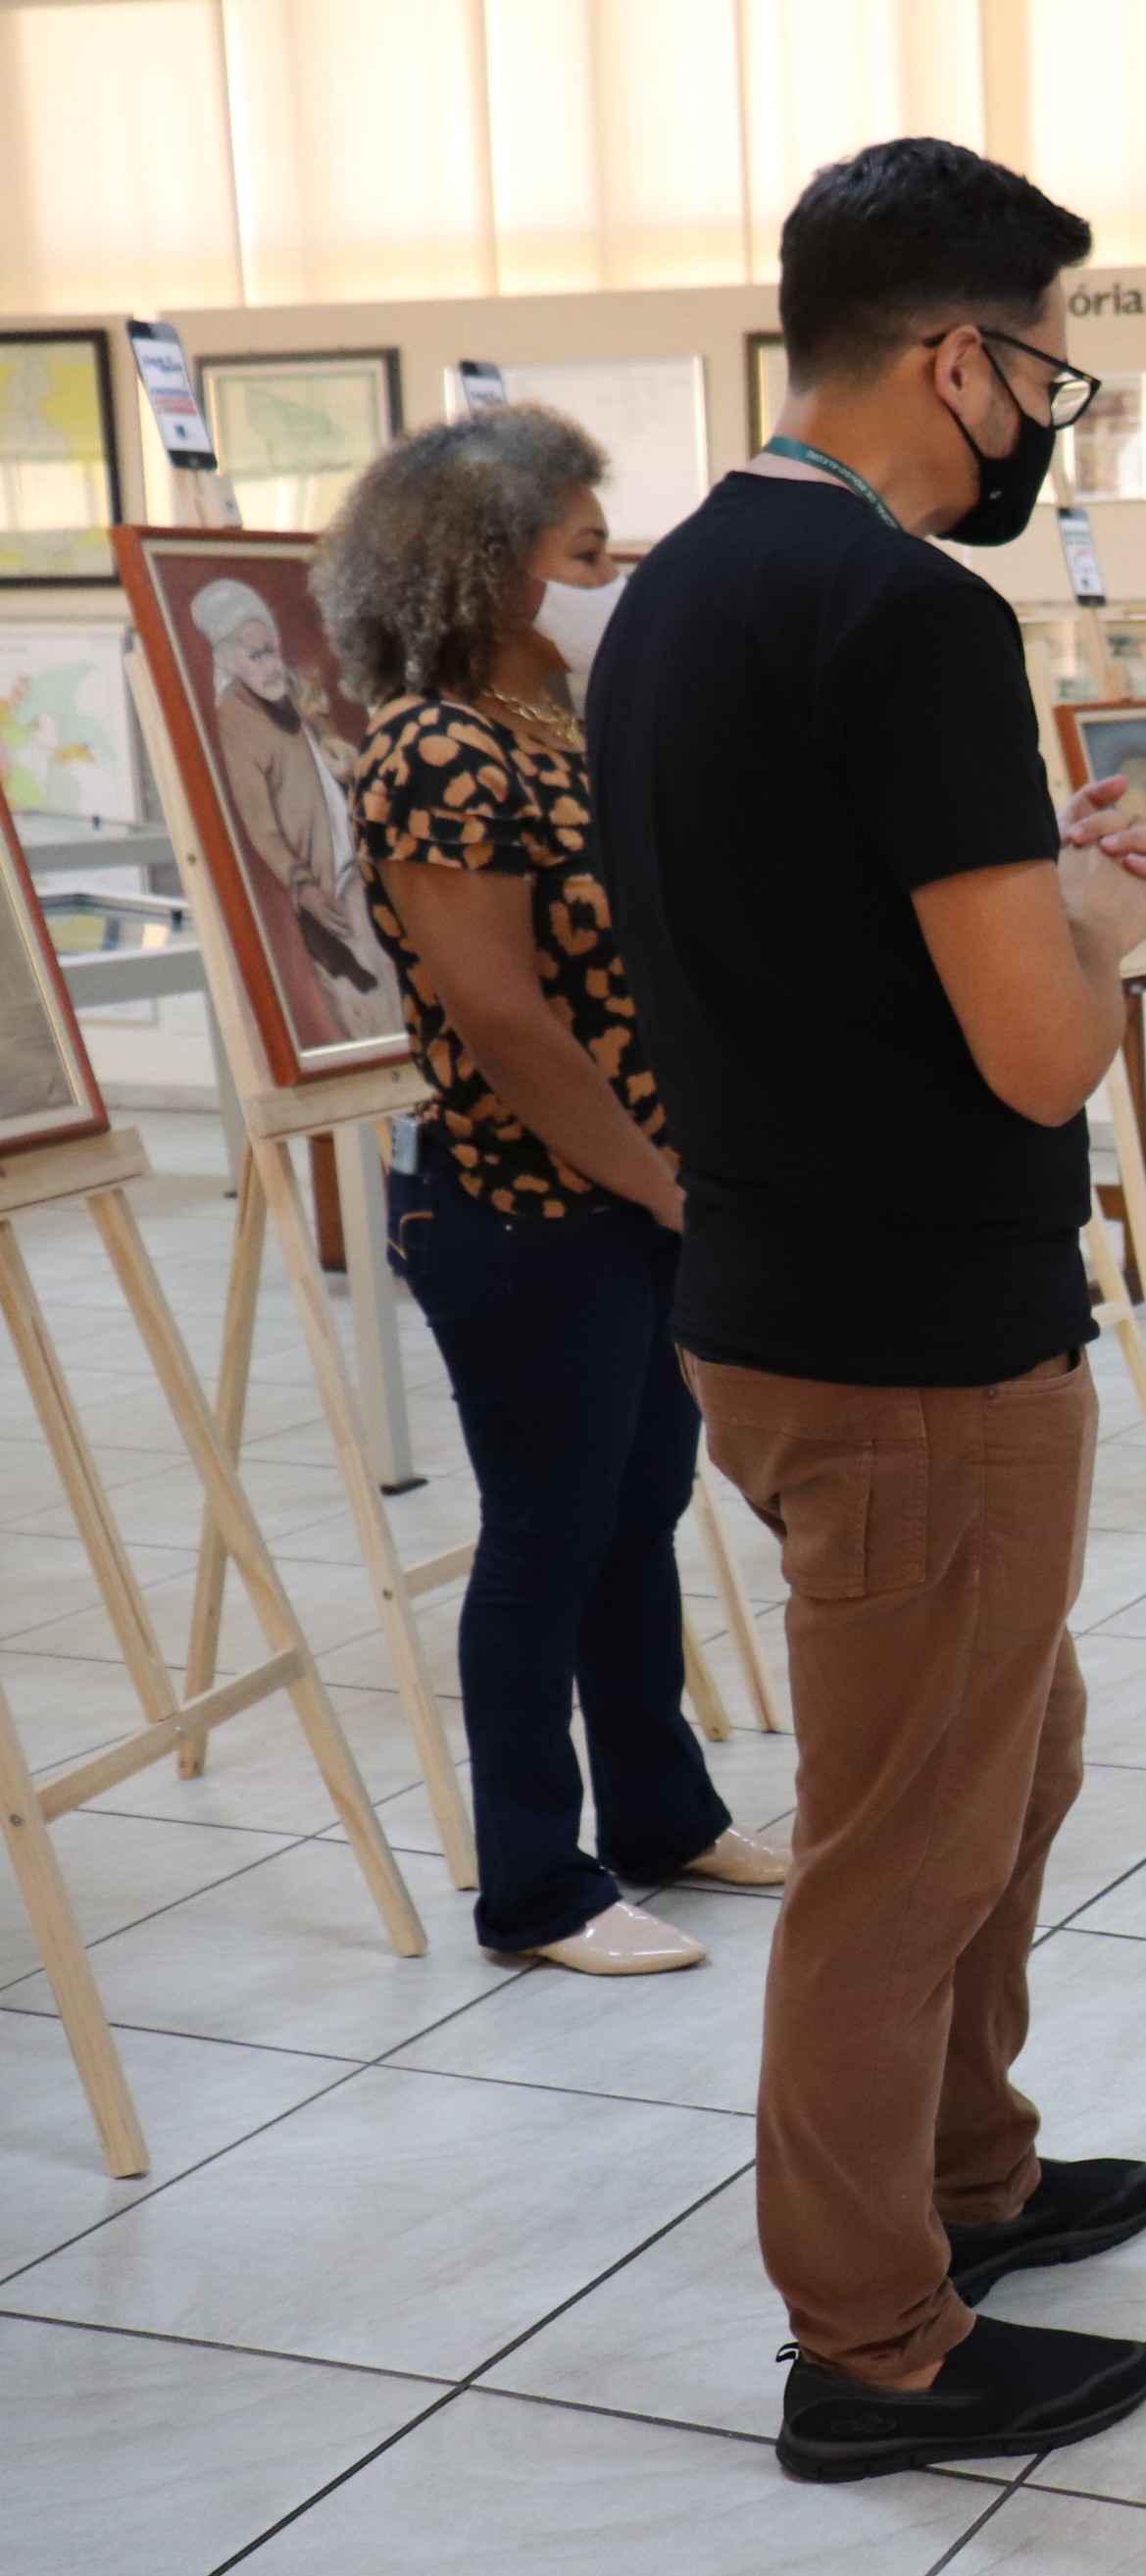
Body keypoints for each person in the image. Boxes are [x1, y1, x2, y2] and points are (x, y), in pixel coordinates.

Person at [590, 138, 1146, 2485]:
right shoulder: (916, 613)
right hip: (914, 1338)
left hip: (779, 1284)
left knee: (1004, 1759)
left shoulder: (684, 590)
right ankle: (876, 2339)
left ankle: (974, 2172)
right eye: (1049, 360)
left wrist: (1029, 904)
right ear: (961, 352)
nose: (1050, 409)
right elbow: (1035, 1043)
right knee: (907, 1837)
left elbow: (827, 940)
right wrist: (1106, 925)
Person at [317, 406, 785, 1980]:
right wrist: (657, 1183)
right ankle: (533, 1883)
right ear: (485, 572)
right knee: (543, 1535)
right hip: (528, 1215)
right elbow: (505, 1020)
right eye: (585, 552)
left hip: (638, 1203)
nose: (615, 573)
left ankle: (659, 1818)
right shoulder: (431, 749)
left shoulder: (561, 730)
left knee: (638, 1514)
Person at [189, 574, 396, 1035]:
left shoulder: (294, 694)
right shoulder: (237, 722)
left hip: (365, 869)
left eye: (272, 651)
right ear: (227, 660)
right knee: (370, 1015)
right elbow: (259, 823)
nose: (271, 665)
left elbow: (329, 763)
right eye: (256, 655)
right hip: (330, 891)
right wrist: (303, 887)